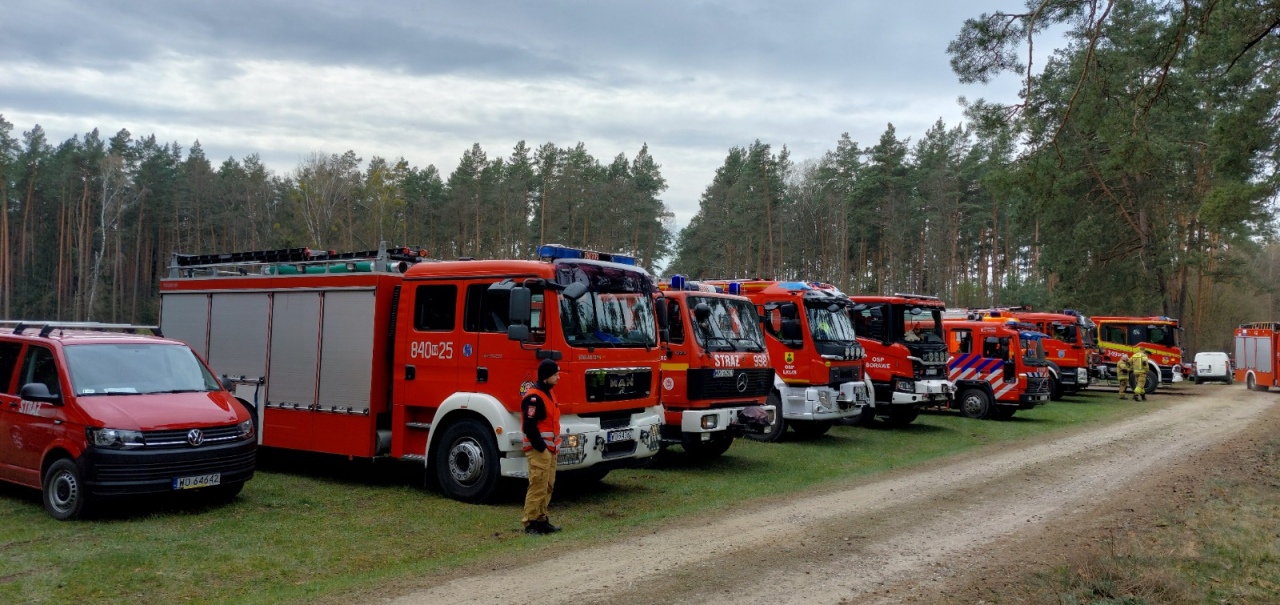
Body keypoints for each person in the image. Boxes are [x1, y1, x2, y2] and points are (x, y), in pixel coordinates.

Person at [522, 358, 562, 534]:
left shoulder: (548, 393)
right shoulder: (534, 397)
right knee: (537, 486)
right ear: (546, 376)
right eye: (555, 375)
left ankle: (542, 519)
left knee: (547, 486)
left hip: (550, 450)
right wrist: (541, 448)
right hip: (540, 450)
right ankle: (530, 523)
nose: (558, 378)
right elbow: (529, 426)